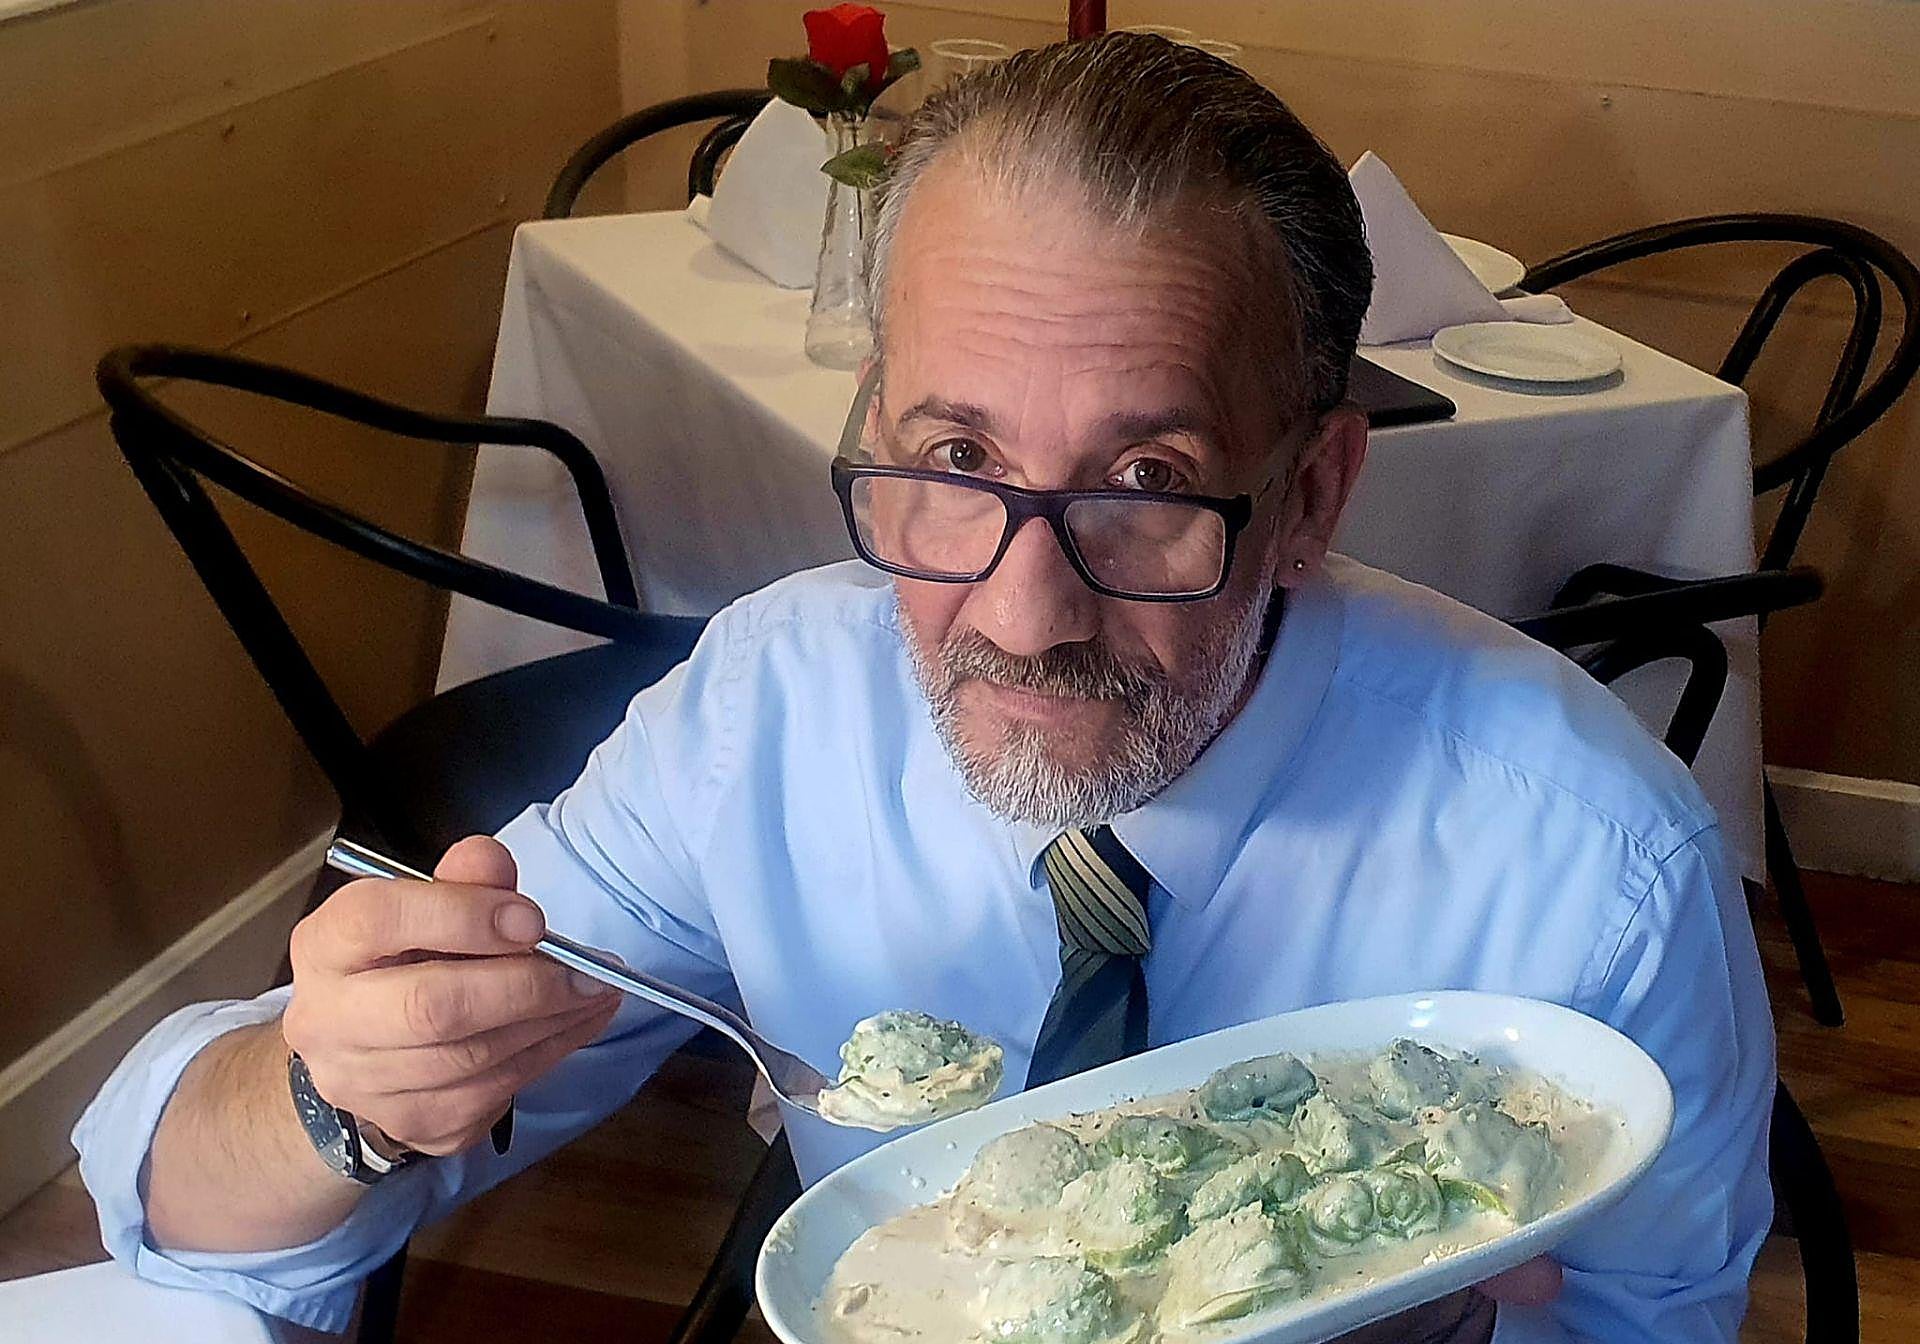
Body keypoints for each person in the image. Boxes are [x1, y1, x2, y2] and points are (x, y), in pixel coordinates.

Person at [74, 33, 1772, 1342]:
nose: (1021, 620)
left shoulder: (1593, 873)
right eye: (956, 460)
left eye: (1148, 483)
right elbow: (175, 1210)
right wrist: (337, 1097)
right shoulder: (770, 718)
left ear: (1314, 492)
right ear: (875, 425)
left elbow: (1653, 1320)